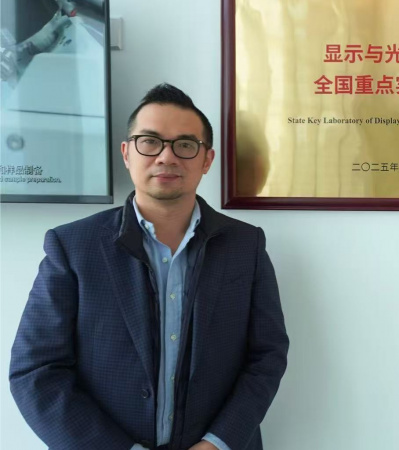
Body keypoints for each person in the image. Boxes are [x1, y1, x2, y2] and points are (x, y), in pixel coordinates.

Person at [9, 83, 290, 450]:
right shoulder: (73, 247)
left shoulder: (245, 246)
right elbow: (36, 372)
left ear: (207, 159)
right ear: (127, 153)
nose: (166, 157)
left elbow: (266, 357)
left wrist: (217, 443)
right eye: (150, 141)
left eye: (185, 145)